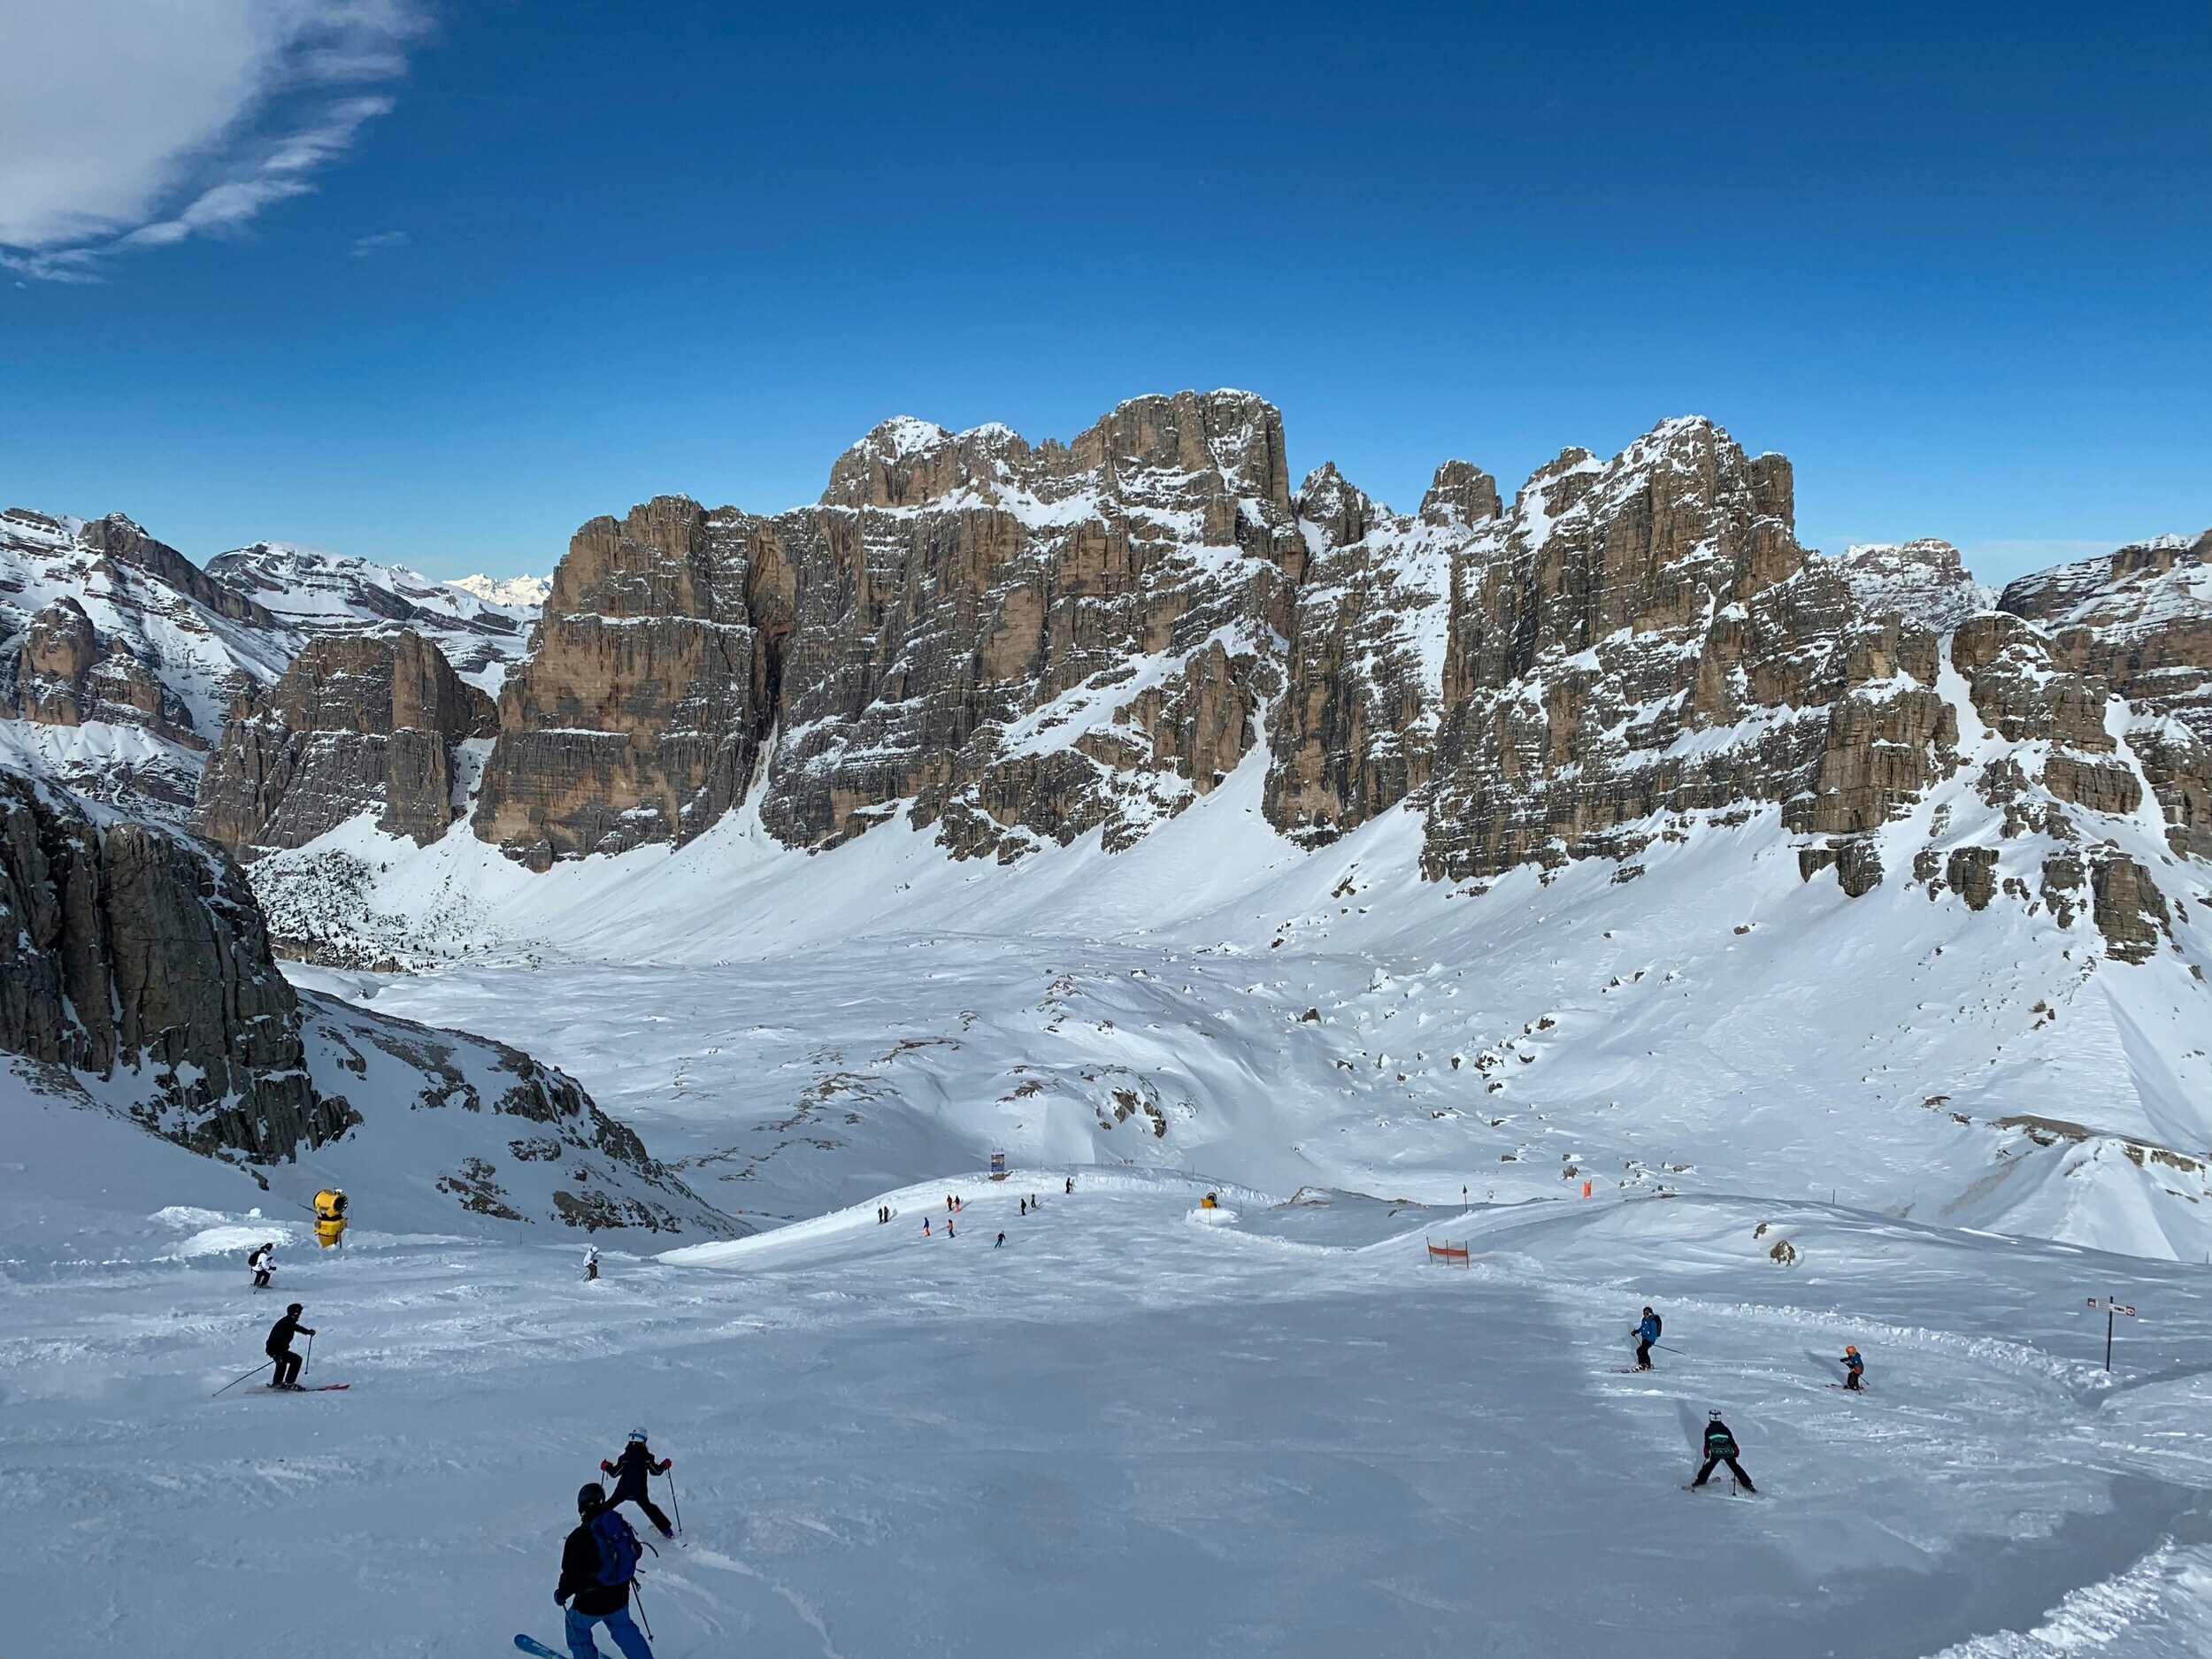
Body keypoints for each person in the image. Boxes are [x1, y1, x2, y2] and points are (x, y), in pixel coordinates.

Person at [556, 1482, 654, 1659]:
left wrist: (562, 1594)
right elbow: (636, 1551)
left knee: (576, 1626)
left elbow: (570, 1575)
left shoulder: (578, 1537)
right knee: (623, 1627)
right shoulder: (617, 1524)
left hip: (590, 1603)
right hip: (620, 1596)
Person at [599, 1429, 674, 1538]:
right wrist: (664, 1465)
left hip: (623, 1489)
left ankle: (589, 1527)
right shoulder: (647, 1458)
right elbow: (655, 1471)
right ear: (643, 1442)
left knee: (607, 1505)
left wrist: (607, 1466)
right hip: (639, 1491)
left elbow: (615, 1473)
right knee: (649, 1508)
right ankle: (667, 1531)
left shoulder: (624, 1458)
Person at [1692, 1412, 1755, 1493]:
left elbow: (1707, 1444)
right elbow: (1731, 1441)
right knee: (1735, 1467)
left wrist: (1706, 1453)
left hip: (1715, 1453)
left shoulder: (1708, 1430)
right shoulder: (1725, 1429)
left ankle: (1700, 1481)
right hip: (1727, 1453)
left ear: (1710, 1419)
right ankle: (1747, 1484)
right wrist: (1736, 1451)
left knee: (1708, 1466)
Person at [265, 1303, 315, 1389]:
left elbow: (296, 1327)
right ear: (293, 1313)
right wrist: (274, 1354)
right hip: (275, 1350)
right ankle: (289, 1383)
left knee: (283, 1363)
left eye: (300, 1313)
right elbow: (271, 1341)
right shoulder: (285, 1324)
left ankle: (277, 1383)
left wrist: (307, 1332)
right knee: (296, 1360)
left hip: (279, 1350)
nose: (299, 1315)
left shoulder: (289, 1322)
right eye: (297, 1313)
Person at [1634, 1307, 1662, 1371]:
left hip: (1650, 1340)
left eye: (1646, 1314)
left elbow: (1654, 1334)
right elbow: (1643, 1328)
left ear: (1650, 1314)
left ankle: (1643, 1365)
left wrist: (1648, 1339)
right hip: (1644, 1339)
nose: (1644, 1315)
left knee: (1640, 1351)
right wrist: (1637, 1331)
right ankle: (1646, 1365)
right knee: (1644, 1352)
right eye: (1644, 1314)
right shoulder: (1644, 1320)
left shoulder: (1652, 1321)